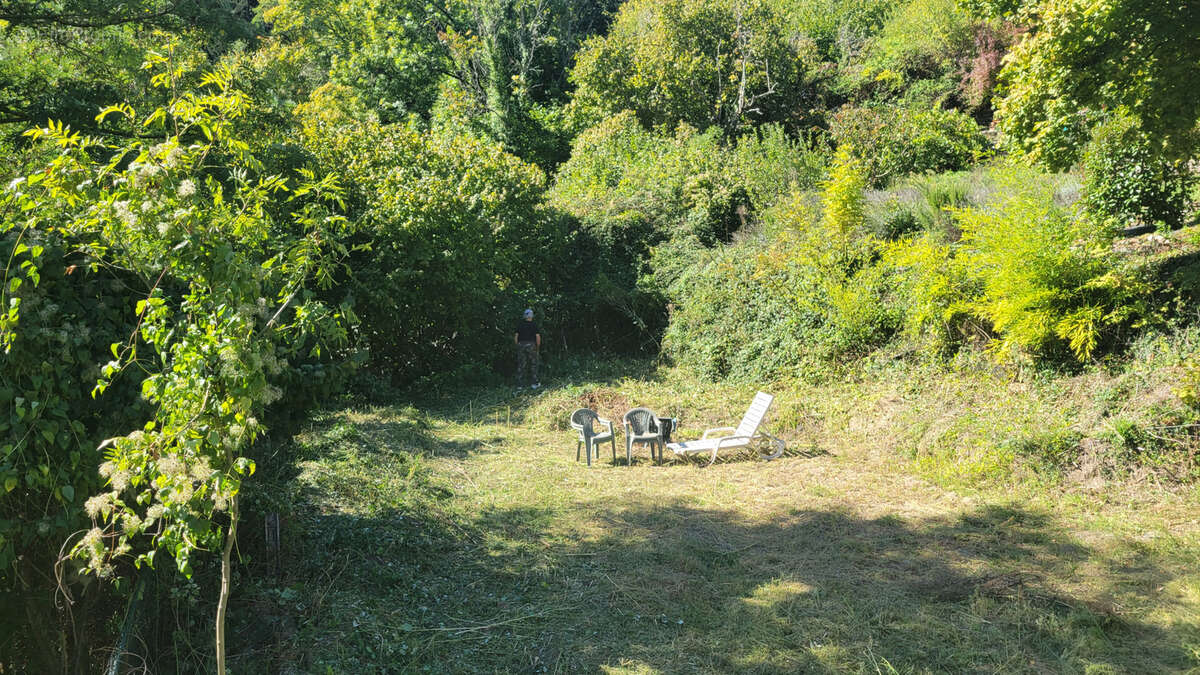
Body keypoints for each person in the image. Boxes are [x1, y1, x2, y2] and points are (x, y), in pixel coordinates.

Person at [514, 308, 541, 389]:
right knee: (534, 364)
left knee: (521, 364)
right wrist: (538, 346)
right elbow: (538, 337)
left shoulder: (520, 325)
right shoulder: (534, 325)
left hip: (521, 345)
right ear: (531, 315)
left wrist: (518, 345)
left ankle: (520, 385)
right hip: (531, 345)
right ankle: (534, 384)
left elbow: (516, 337)